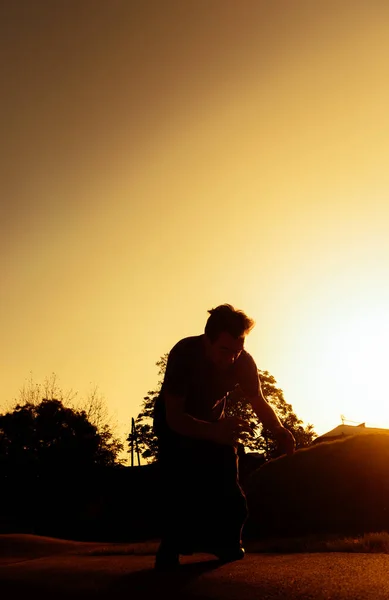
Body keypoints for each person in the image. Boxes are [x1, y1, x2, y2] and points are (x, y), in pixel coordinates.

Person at [153, 304, 295, 570]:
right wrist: (213, 431)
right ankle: (172, 545)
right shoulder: (184, 354)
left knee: (227, 476)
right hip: (174, 424)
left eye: (237, 351)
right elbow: (175, 417)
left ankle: (226, 541)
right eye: (224, 350)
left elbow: (258, 400)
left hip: (214, 423)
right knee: (181, 480)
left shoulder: (243, 362)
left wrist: (278, 430)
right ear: (207, 341)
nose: (231, 359)